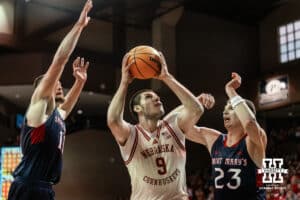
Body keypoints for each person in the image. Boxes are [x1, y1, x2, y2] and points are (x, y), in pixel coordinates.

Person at [8, 1, 92, 200]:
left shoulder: (55, 115)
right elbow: (59, 61)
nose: (60, 85)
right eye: (55, 83)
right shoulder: (38, 109)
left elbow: (68, 106)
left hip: (44, 188)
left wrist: (80, 83)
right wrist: (78, 27)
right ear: (43, 88)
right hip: (28, 187)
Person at [107, 52, 203, 200]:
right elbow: (113, 120)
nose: (156, 98)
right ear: (138, 108)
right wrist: (124, 83)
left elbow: (196, 109)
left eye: (156, 96)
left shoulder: (173, 127)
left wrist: (166, 77)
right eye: (148, 97)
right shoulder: (131, 134)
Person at [166, 72, 267, 200]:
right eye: (225, 108)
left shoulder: (254, 140)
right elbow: (173, 126)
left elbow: (249, 123)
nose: (225, 111)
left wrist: (230, 90)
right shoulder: (214, 139)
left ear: (244, 113)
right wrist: (195, 102)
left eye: (231, 108)